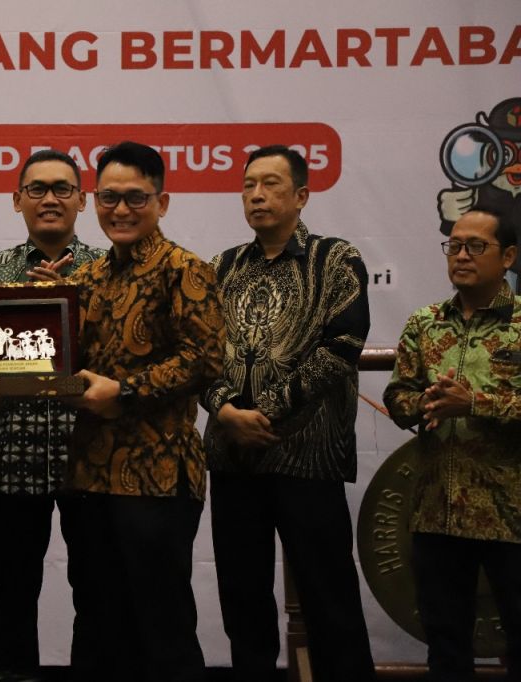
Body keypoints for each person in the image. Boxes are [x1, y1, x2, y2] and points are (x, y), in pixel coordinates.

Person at [201, 145, 376, 682]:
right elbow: (199, 352)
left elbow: (342, 346)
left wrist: (265, 412)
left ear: (301, 195)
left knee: (330, 599)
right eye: (249, 184)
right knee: (242, 599)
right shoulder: (222, 267)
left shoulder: (335, 259)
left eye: (271, 184)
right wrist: (225, 409)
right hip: (233, 458)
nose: (257, 195)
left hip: (308, 457)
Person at [61, 141, 224, 681]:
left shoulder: (185, 269)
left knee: (162, 625)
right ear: (94, 201)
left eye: (136, 197)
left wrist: (125, 392)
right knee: (97, 623)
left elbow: (205, 358)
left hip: (157, 474)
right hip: (89, 473)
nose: (121, 209)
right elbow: (60, 356)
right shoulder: (86, 279)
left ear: (162, 202)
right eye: (109, 197)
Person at [0, 149, 104, 682]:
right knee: (11, 585)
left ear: (82, 201)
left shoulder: (110, 270)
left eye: (62, 188)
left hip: (93, 454)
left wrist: (72, 305)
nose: (50, 199)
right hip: (13, 456)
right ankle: (12, 674)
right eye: (37, 189)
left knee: (96, 586)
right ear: (16, 200)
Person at [383, 206, 521, 681]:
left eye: (475, 246)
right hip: (436, 512)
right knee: (445, 648)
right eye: (455, 246)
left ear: (508, 256)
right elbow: (398, 395)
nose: (461, 255)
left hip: (510, 515)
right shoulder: (425, 323)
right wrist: (424, 402)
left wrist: (474, 403)